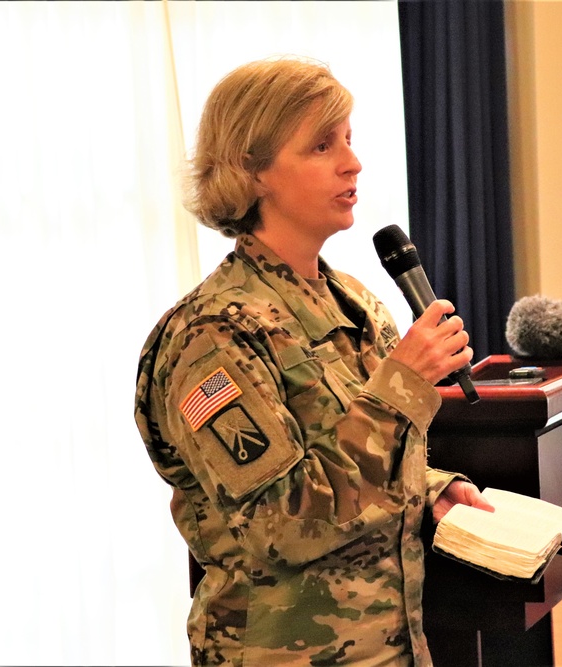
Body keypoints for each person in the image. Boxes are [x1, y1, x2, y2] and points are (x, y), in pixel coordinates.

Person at [134, 56, 493, 666]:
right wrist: (401, 385)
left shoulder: (356, 302)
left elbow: (359, 464)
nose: (351, 162)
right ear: (254, 172)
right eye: (322, 145)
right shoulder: (213, 336)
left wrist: (432, 489)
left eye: (349, 140)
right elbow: (280, 523)